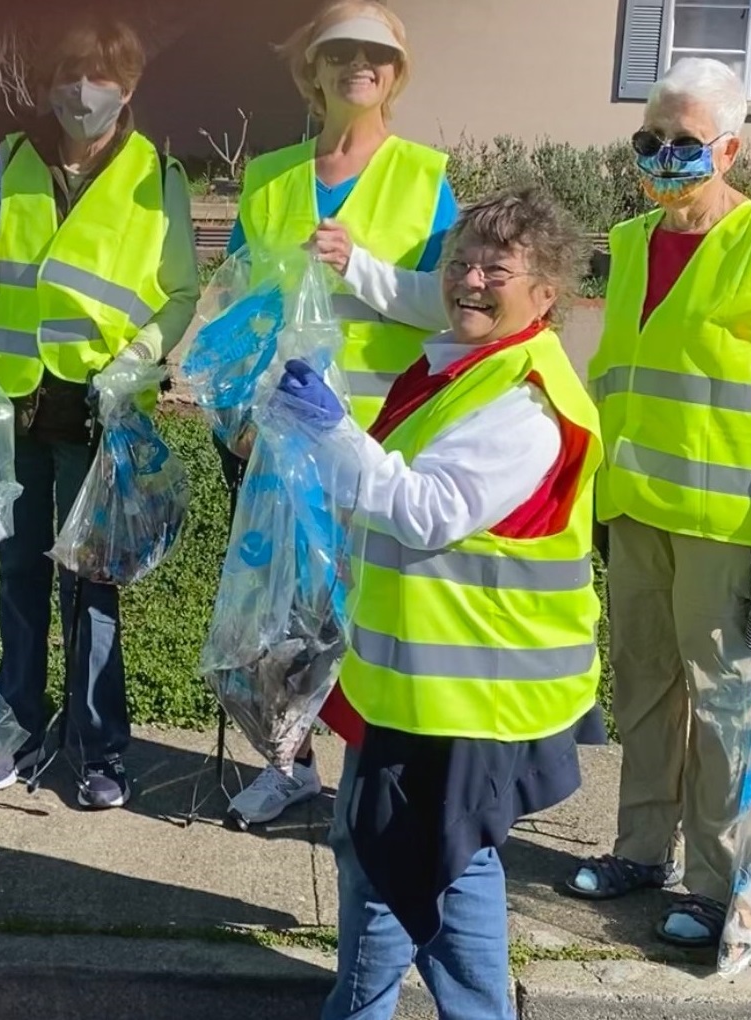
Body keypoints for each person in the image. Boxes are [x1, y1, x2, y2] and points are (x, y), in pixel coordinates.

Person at [280, 187, 602, 1020]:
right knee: (394, 853)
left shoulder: (523, 401)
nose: (469, 279)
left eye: (497, 267)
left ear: (544, 294)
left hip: (461, 697)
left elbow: (426, 510)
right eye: (460, 261)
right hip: (417, 682)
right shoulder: (457, 370)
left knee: (424, 866)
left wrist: (327, 430)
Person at [564, 57, 751, 949]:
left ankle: (712, 879)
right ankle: (638, 848)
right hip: (635, 513)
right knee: (645, 686)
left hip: (727, 526)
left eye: (684, 143)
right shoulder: (629, 245)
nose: (663, 156)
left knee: (723, 705)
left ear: (730, 149)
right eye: (650, 140)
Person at [0, 17, 201, 808]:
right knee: (18, 577)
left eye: (97, 77)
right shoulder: (11, 160)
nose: (78, 91)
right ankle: (20, 729)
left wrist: (141, 360)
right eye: (66, 73)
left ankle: (101, 750)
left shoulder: (153, 175)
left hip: (97, 411)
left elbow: (180, 289)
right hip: (15, 403)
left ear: (126, 88)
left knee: (91, 586)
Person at [224, 0, 458, 826]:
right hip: (282, 437)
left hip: (377, 438)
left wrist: (359, 267)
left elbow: (452, 306)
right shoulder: (268, 180)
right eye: (339, 53)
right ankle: (290, 766)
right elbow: (239, 308)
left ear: (395, 75)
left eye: (376, 55)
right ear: (311, 70)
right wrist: (234, 409)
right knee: (287, 610)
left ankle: (375, 772)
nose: (358, 65)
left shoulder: (425, 176)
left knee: (369, 610)